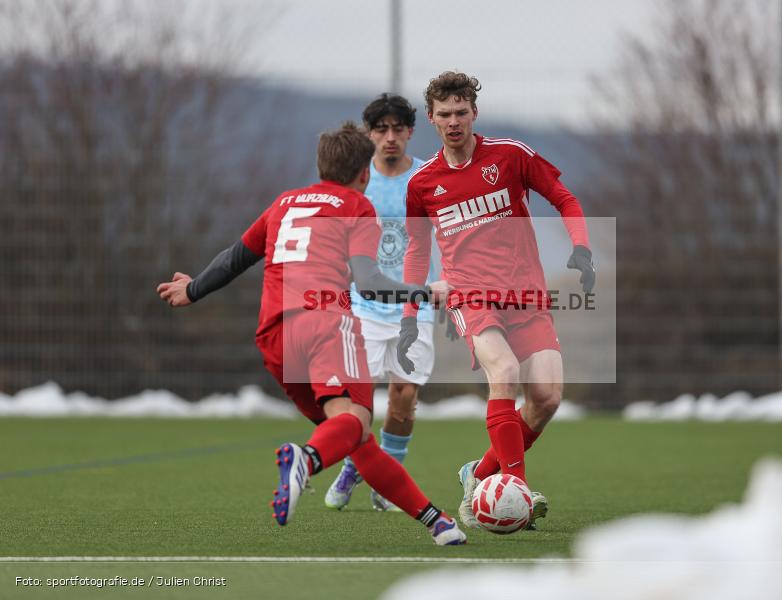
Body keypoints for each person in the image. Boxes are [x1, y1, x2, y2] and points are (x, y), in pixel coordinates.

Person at [156, 122, 466, 546]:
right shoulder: (357, 206)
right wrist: (426, 293)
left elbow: (235, 257)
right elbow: (369, 283)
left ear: (320, 167)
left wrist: (193, 289)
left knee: (353, 436)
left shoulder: (284, 203)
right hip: (325, 325)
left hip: (275, 337)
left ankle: (436, 522)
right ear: (365, 173)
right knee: (355, 423)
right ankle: (306, 459)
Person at [398, 72, 595, 530]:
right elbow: (417, 251)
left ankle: (480, 474)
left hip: (526, 294)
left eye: (460, 112)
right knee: (504, 372)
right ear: (431, 118)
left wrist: (581, 247)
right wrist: (410, 313)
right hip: (468, 295)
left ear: (474, 113)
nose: (453, 122)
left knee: (546, 398)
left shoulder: (510, 156)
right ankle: (516, 490)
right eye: (444, 114)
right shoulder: (423, 183)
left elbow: (564, 199)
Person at [324, 94, 445, 513]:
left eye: (398, 129)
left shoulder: (428, 177)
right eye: (381, 129)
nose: (390, 137)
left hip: (415, 304)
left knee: (404, 397)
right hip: (365, 305)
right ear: (369, 134)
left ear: (410, 131)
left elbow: (451, 231)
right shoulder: (358, 180)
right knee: (358, 400)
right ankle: (352, 468)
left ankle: (387, 480)